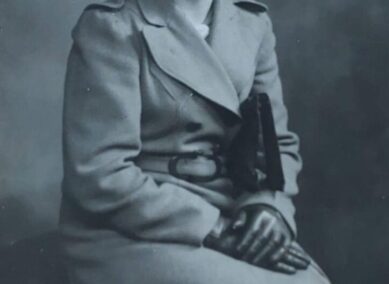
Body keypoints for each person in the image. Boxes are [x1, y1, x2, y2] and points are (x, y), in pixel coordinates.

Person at [59, 0, 331, 283]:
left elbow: (276, 146)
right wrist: (213, 228)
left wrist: (269, 206)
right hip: (135, 223)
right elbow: (100, 174)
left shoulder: (251, 21)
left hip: (228, 208)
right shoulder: (112, 24)